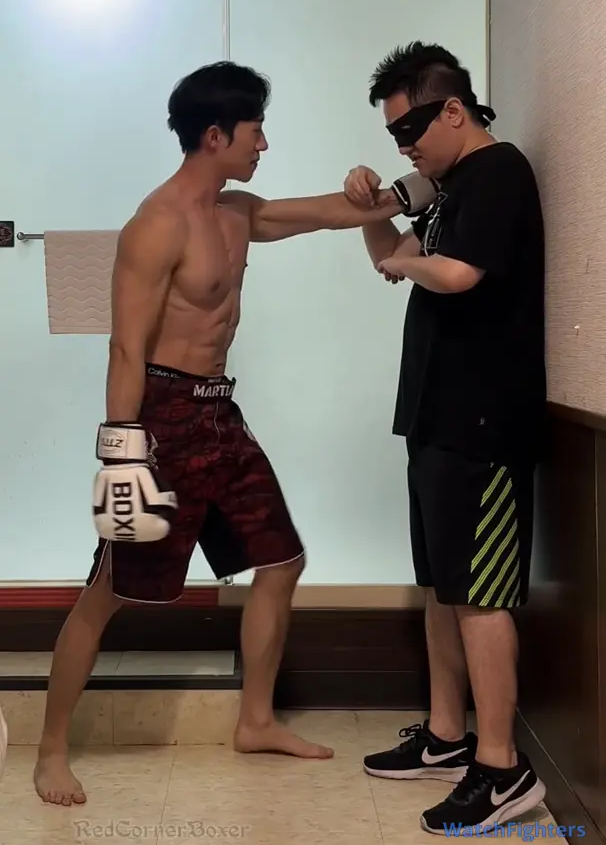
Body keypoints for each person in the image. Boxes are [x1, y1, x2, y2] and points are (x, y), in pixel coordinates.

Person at [34, 61, 404, 807]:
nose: (263, 144)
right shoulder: (156, 226)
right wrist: (122, 455)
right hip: (161, 422)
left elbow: (330, 213)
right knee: (108, 591)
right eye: (254, 131)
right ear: (214, 135)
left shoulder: (237, 213)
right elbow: (125, 349)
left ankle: (256, 721)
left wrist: (394, 188)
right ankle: (49, 753)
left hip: (219, 415)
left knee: (282, 559)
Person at [344, 42, 547, 834]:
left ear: (454, 110)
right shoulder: (448, 188)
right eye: (394, 135)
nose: (405, 147)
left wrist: (411, 259)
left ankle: (502, 770)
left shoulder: (498, 172)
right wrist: (373, 208)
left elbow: (458, 274)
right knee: (443, 586)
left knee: (481, 597)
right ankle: (445, 736)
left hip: (484, 422)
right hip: (435, 418)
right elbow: (392, 258)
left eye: (411, 129)